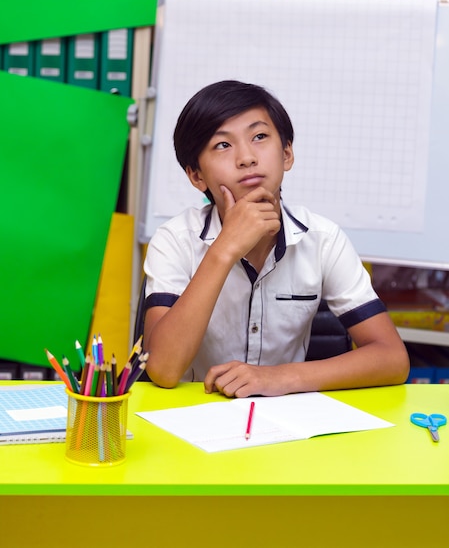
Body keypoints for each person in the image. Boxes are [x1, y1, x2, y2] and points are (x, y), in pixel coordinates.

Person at [142, 80, 410, 397]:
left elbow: (392, 359)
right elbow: (162, 369)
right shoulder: (174, 239)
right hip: (190, 418)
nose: (246, 158)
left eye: (259, 137)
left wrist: (278, 378)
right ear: (196, 175)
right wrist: (225, 248)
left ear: (286, 154)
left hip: (286, 421)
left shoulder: (323, 239)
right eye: (223, 145)